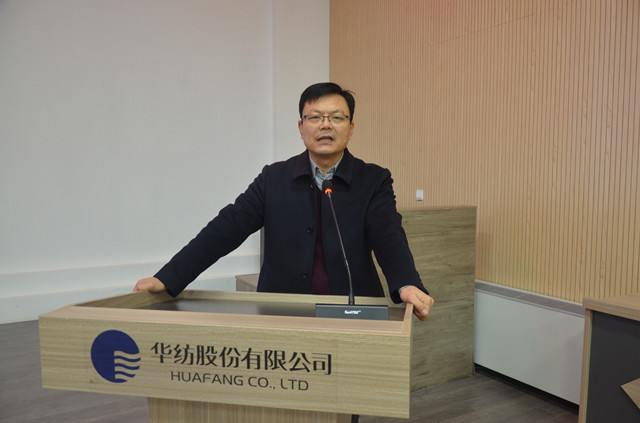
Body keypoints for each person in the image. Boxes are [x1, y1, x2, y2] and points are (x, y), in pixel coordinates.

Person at [134, 82, 434, 321]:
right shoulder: (274, 178)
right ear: (301, 128)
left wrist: (407, 284)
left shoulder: (373, 180)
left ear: (351, 128)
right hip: (282, 310)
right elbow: (226, 228)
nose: (325, 125)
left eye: (336, 117)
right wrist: (169, 277)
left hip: (352, 310)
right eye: (315, 117)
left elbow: (388, 236)